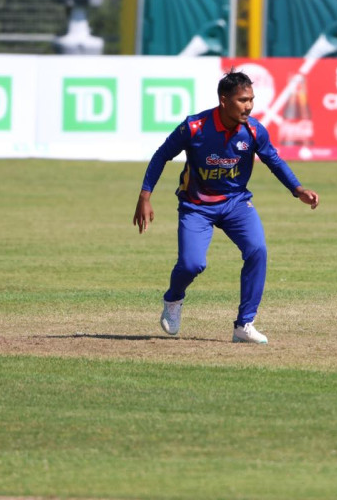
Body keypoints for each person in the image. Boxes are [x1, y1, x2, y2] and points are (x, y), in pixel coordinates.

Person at [133, 70, 319, 344]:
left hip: (236, 204)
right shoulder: (194, 127)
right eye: (243, 100)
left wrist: (298, 189)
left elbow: (274, 161)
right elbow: (162, 155)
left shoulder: (254, 130)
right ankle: (173, 299)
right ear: (224, 100)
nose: (249, 106)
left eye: (251, 100)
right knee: (192, 264)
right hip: (196, 206)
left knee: (257, 250)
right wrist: (145, 196)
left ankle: (244, 325)